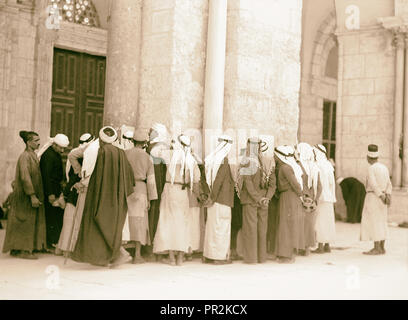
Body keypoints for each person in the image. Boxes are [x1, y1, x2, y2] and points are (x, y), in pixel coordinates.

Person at [71, 126, 135, 267]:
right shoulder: (120, 152)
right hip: (117, 197)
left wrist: (85, 185)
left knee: (97, 223)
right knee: (113, 225)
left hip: (102, 195)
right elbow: (129, 176)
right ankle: (110, 257)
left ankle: (116, 254)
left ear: (101, 139)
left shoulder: (102, 152)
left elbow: (97, 176)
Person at [153, 134, 200, 266]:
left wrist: (168, 143)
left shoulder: (171, 155)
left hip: (170, 189)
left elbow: (155, 152)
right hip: (183, 192)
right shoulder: (190, 159)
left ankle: (171, 257)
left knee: (168, 222)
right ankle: (180, 257)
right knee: (182, 223)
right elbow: (196, 178)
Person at [2, 131, 47, 259]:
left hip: (27, 195)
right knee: (24, 222)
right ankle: (24, 250)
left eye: (39, 140)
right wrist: (32, 195)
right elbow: (25, 177)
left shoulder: (32, 155)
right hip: (25, 197)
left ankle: (18, 249)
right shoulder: (25, 157)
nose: (38, 142)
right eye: (35, 140)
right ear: (28, 142)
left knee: (26, 221)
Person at [237, 137, 276, 264]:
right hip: (264, 199)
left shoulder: (247, 161)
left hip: (251, 200)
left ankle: (251, 258)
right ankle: (261, 257)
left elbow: (248, 184)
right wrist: (267, 198)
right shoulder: (267, 162)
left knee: (250, 229)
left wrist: (258, 198)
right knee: (262, 229)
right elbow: (272, 184)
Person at [56, 133, 95, 256]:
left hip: (72, 190)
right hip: (78, 191)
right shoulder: (87, 154)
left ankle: (62, 248)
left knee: (68, 222)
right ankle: (68, 250)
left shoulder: (77, 153)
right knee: (73, 222)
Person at [122, 129, 158, 264]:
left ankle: (123, 251)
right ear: (144, 143)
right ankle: (137, 255)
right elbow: (151, 179)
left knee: (125, 220)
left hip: (126, 189)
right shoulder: (147, 157)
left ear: (132, 141)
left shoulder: (125, 154)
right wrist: (152, 197)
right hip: (141, 189)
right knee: (140, 222)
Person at [203, 135, 235, 265]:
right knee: (222, 229)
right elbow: (219, 181)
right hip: (222, 200)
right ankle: (219, 257)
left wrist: (210, 197)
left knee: (212, 229)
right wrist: (213, 197)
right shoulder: (223, 161)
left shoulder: (212, 159)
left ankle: (209, 255)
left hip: (214, 200)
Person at [38, 133, 70, 252]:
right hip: (50, 192)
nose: (62, 150)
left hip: (55, 190)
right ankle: (50, 243)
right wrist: (50, 194)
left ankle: (53, 241)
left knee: (55, 217)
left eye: (63, 148)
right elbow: (46, 176)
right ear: (54, 145)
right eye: (60, 148)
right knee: (51, 217)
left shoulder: (54, 154)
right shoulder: (48, 156)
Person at [144, 123, 170, 261]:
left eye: (152, 131)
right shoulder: (153, 148)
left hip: (158, 188)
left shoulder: (159, 149)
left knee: (155, 215)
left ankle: (153, 249)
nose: (149, 133)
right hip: (155, 188)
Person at [274, 145, 304, 263]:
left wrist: (300, 195)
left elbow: (295, 184)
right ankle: (286, 253)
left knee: (286, 226)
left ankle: (287, 255)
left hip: (289, 197)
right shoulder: (287, 167)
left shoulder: (285, 168)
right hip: (288, 197)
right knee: (286, 225)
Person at [361, 144, 392, 255]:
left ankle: (377, 248)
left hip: (374, 197)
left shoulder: (371, 168)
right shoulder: (384, 167)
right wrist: (388, 195)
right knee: (382, 221)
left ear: (368, 157)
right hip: (383, 198)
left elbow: (373, 184)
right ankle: (382, 247)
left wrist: (380, 195)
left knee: (374, 222)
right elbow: (389, 183)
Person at [296, 142, 322, 256]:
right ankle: (307, 248)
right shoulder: (315, 167)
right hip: (312, 200)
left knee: (301, 225)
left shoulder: (299, 166)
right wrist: (315, 199)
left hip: (302, 199)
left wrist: (303, 197)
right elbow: (320, 186)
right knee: (309, 226)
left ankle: (301, 247)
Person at [312, 144, 336, 254]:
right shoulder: (328, 165)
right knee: (328, 222)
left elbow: (318, 184)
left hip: (321, 198)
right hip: (329, 197)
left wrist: (316, 197)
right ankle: (327, 245)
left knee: (320, 222)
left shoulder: (318, 166)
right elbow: (332, 183)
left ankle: (320, 246)